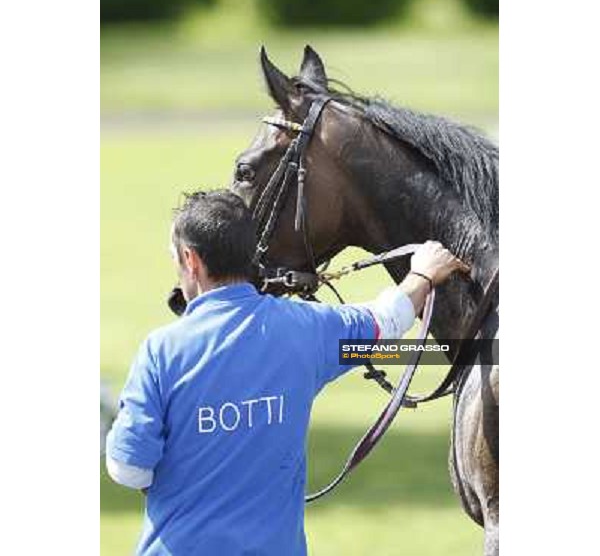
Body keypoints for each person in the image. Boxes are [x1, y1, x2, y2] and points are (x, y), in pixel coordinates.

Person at [106, 189, 469, 556]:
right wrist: (423, 272)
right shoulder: (305, 330)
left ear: (191, 259)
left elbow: (128, 468)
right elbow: (386, 323)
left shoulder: (160, 350)